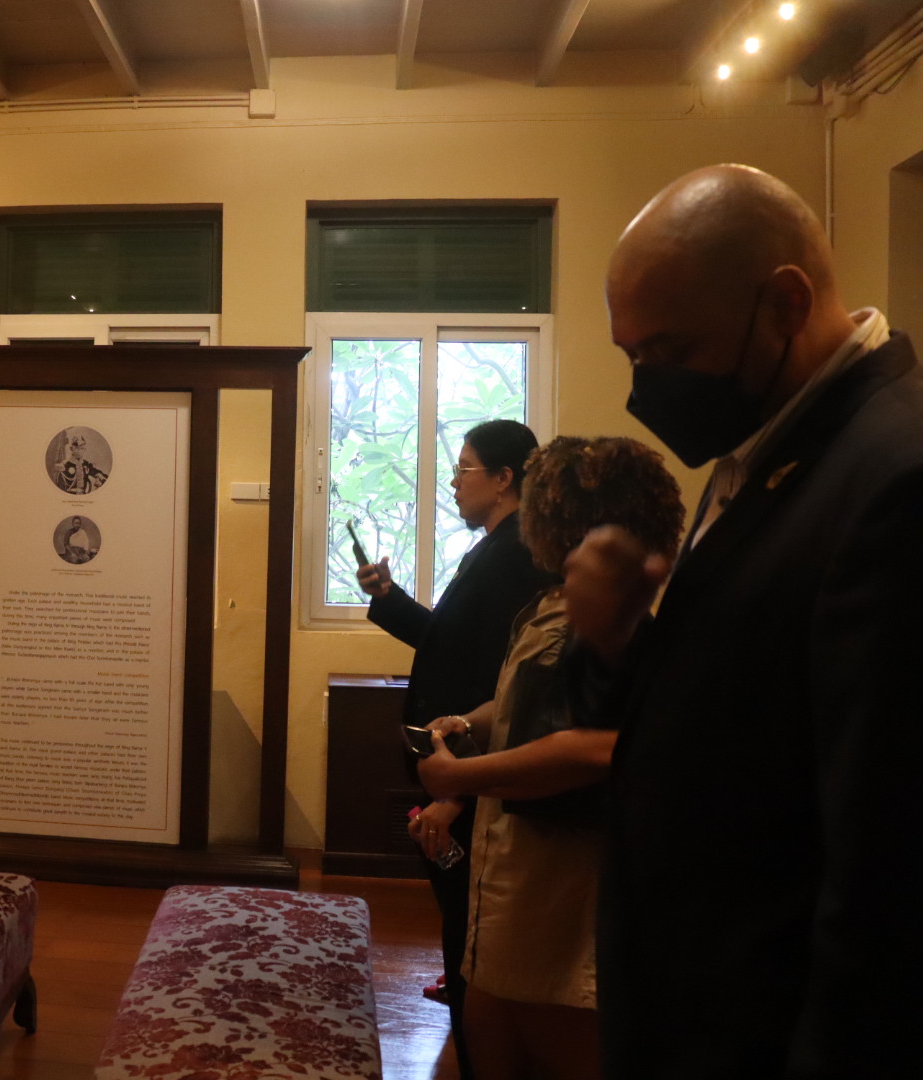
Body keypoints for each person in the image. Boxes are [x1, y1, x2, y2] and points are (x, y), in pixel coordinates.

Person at [564, 164, 923, 1077]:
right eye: (631, 355)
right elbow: (736, 721)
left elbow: (885, 871)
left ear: (786, 304)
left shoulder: (893, 475)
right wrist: (618, 643)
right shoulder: (758, 452)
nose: (646, 388)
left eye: (670, 350)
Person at [416, 436, 686, 1080]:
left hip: (557, 892)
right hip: (510, 880)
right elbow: (517, 701)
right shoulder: (548, 607)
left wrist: (457, 777)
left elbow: (584, 751)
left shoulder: (599, 630)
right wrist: (468, 723)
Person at [357, 418, 553, 1077]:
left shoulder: (517, 555)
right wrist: (388, 598)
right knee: (458, 920)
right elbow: (448, 642)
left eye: (464, 468)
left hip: (471, 772)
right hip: (457, 768)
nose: (453, 481)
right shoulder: (491, 549)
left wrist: (460, 791)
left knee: (469, 926)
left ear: (503, 479)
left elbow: (508, 688)